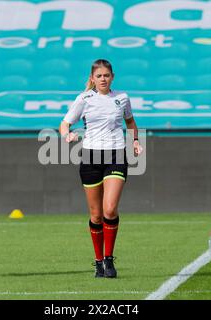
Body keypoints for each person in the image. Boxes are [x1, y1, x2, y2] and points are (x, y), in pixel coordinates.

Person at [59, 59, 143, 278]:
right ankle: (97, 261)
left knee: (110, 209)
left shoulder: (122, 98)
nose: (103, 79)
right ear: (92, 79)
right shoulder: (84, 99)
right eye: (99, 76)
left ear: (112, 77)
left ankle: (109, 259)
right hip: (90, 158)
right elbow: (65, 123)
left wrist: (134, 141)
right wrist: (67, 134)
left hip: (116, 154)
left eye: (106, 75)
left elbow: (131, 123)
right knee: (96, 216)